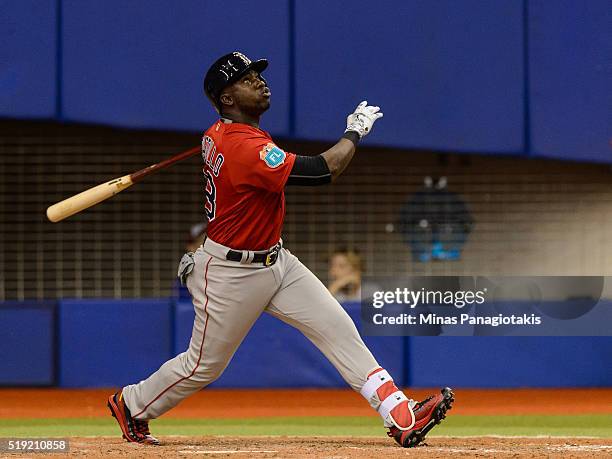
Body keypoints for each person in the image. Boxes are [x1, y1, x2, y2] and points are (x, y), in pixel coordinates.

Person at [107, 51, 454, 448]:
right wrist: (354, 131)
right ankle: (131, 404)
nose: (259, 80)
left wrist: (219, 134)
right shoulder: (242, 146)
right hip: (230, 274)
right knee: (203, 366)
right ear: (226, 99)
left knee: (338, 328)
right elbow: (325, 170)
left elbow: (226, 144)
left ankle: (399, 412)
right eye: (246, 78)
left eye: (257, 73)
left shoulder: (219, 135)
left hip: (277, 260)